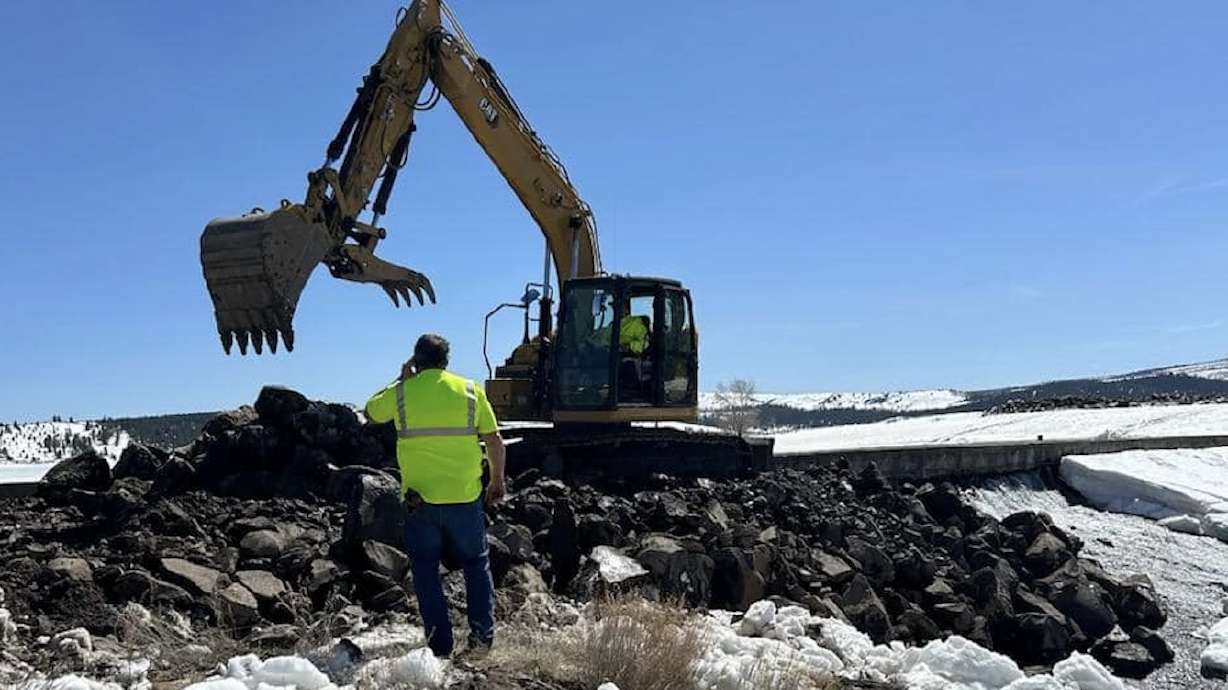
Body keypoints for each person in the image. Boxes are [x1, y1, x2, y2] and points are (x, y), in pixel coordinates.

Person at [364, 333, 507, 658]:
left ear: (416, 360)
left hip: (420, 501)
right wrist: (496, 481)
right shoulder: (470, 391)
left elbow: (371, 412)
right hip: (465, 497)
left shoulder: (402, 393)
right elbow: (495, 441)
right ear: (446, 360)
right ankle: (481, 641)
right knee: (475, 564)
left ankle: (439, 648)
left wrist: (400, 379)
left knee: (426, 570)